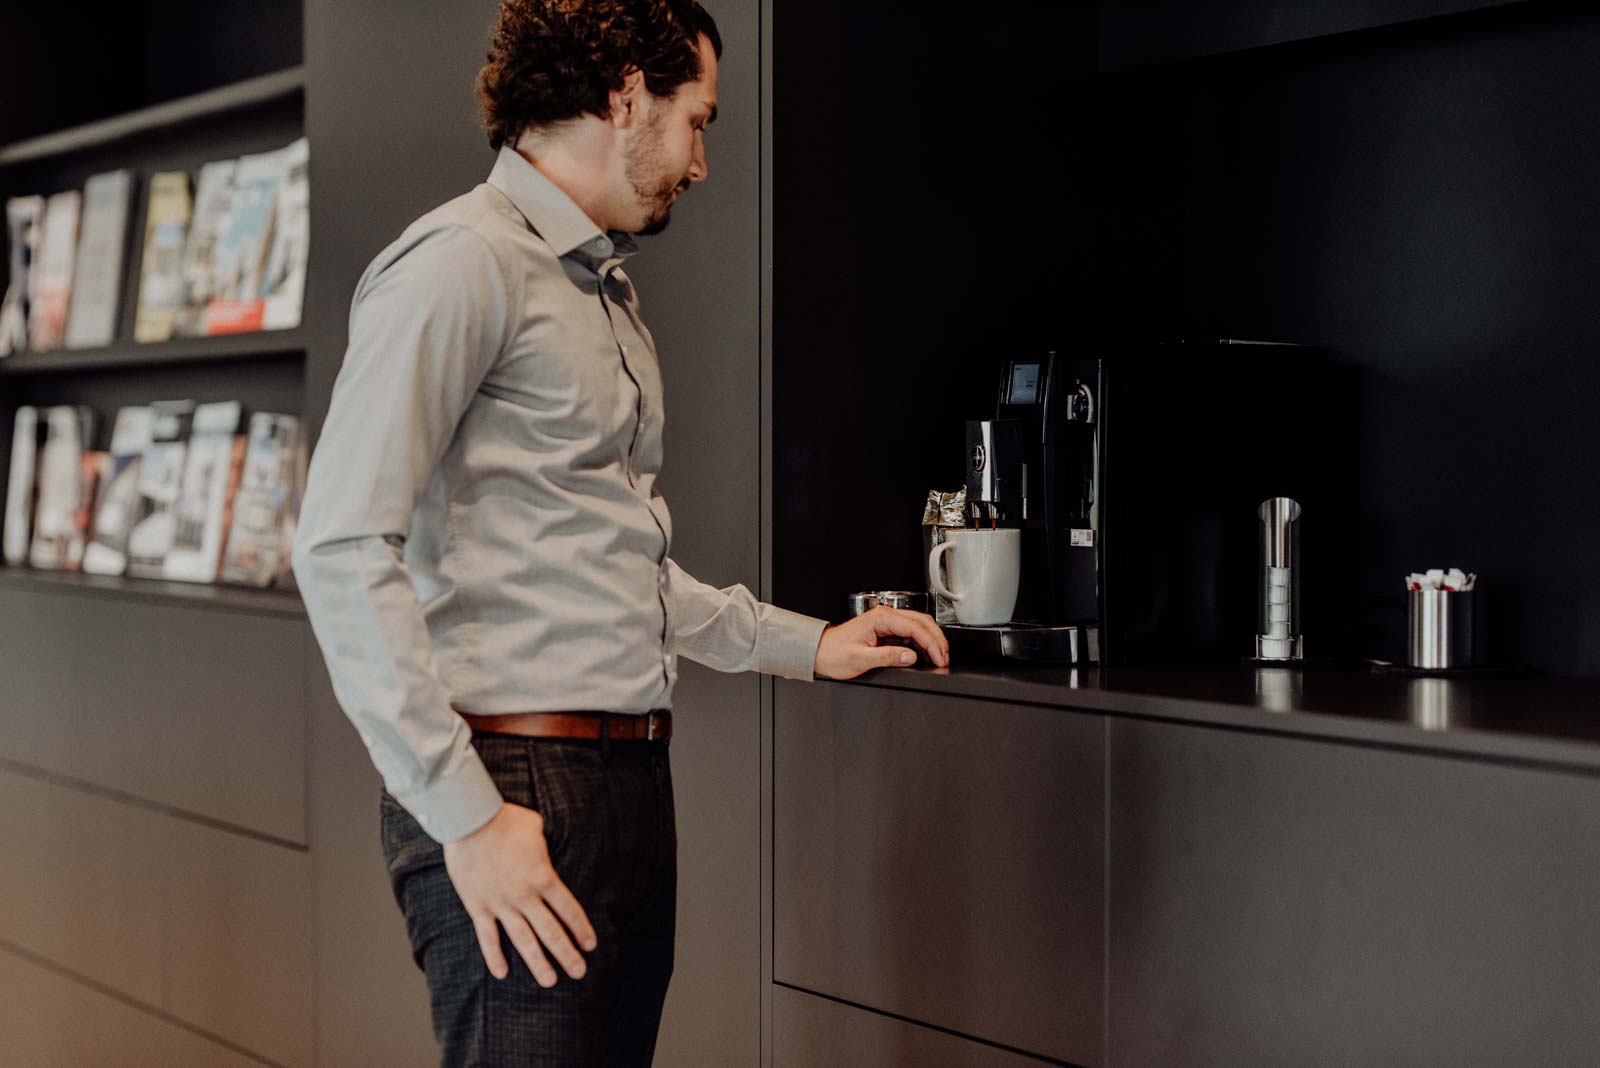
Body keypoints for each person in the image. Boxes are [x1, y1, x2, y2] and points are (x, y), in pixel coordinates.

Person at [291, 1, 949, 1064]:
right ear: (625, 94)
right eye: (699, 120)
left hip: (624, 783)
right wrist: (466, 817)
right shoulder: (461, 262)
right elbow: (337, 547)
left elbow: (610, 564)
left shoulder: (600, 288)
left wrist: (807, 645)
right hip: (515, 784)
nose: (699, 161)